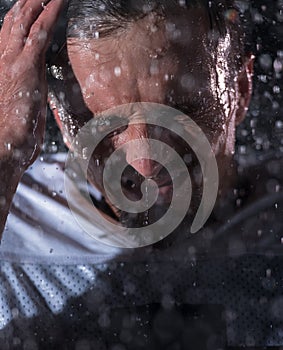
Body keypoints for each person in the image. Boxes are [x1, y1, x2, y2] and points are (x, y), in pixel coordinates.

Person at [0, 0, 282, 348]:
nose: (145, 165)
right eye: (104, 125)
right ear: (60, 121)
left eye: (180, 112)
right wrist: (4, 154)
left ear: (240, 90)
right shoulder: (11, 222)